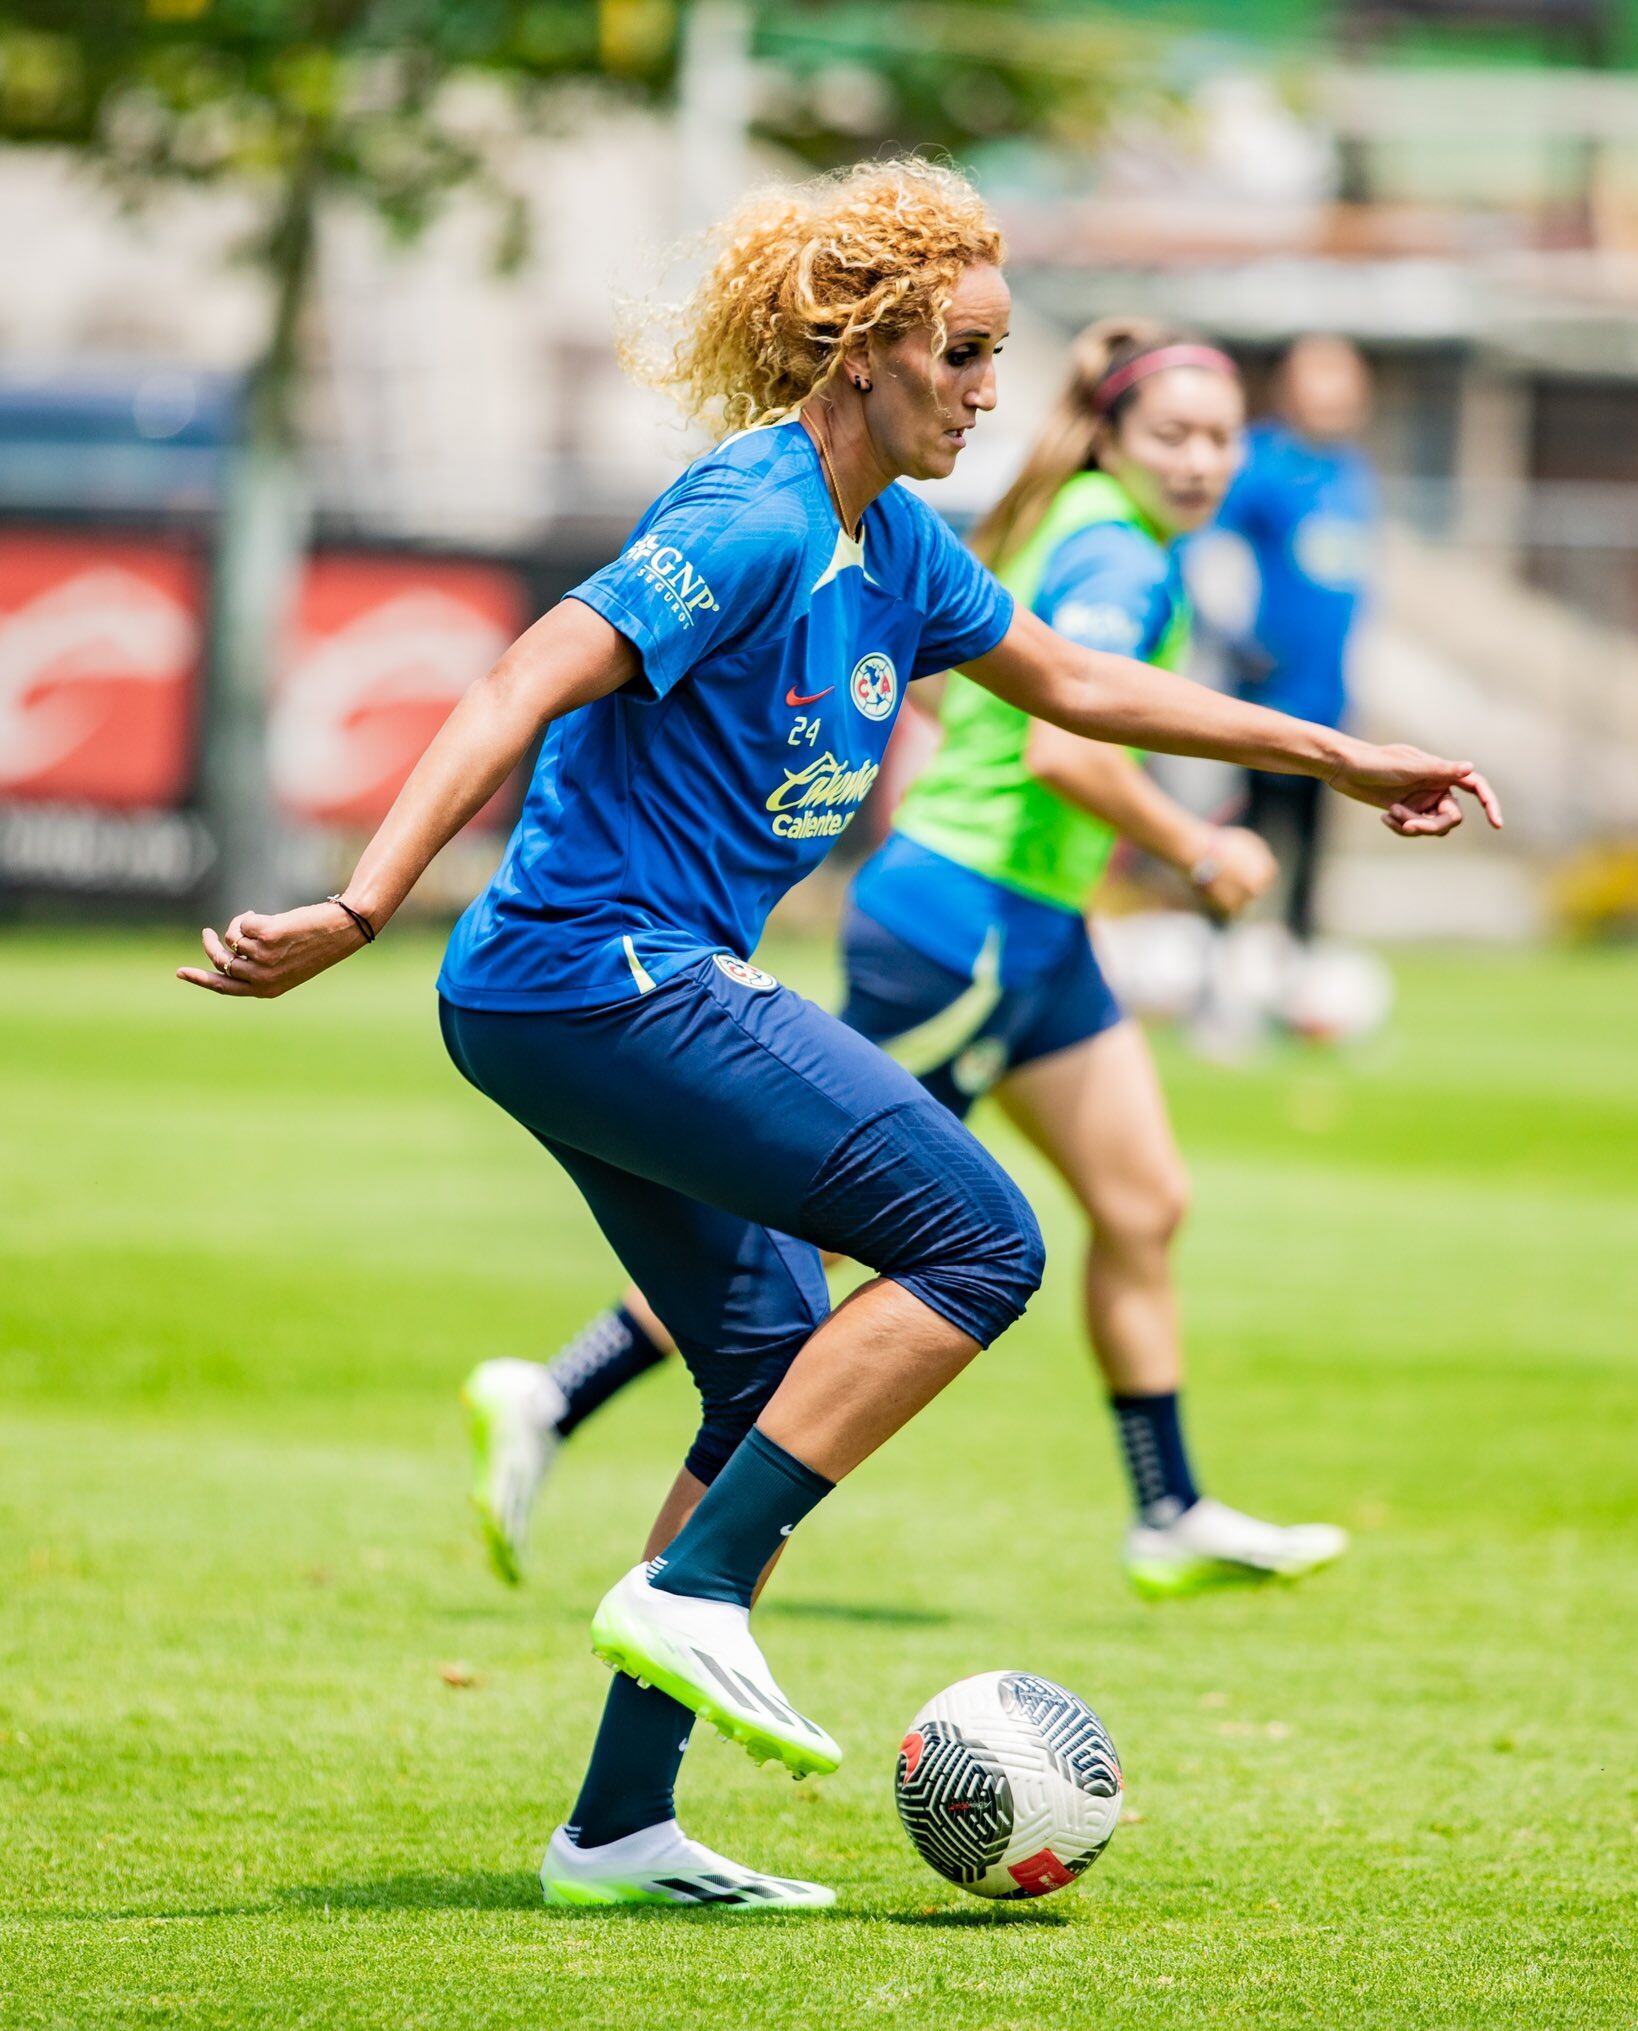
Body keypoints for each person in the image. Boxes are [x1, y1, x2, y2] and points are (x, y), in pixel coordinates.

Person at [180, 160, 1499, 1912]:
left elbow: (1084, 689)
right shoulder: (751, 514)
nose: (984, 390)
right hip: (591, 968)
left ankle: (615, 1827)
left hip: (595, 985)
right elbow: (515, 676)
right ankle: (691, 1589)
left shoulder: (901, 549)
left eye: (995, 357)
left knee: (760, 1352)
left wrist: (1344, 755)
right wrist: (357, 902)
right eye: (960, 352)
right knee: (978, 1236)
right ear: (861, 344)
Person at [474, 317, 1350, 1603]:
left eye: (1224, 437)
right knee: (834, 1230)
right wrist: (1198, 846)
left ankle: (1166, 1504)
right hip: (973, 927)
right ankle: (560, 1403)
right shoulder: (1116, 553)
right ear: (1108, 436)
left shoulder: (1041, 536)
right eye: (1174, 434)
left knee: (1141, 1201)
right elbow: (1067, 742)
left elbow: (955, 684)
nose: (1204, 461)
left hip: (1037, 928)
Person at [1196, 333, 1379, 942]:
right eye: (1320, 379)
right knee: (1245, 843)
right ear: (1290, 387)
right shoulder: (1259, 461)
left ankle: (1297, 972)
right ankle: (1218, 977)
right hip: (1263, 698)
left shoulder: (1351, 470)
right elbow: (1210, 551)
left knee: (1311, 854)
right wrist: (1239, 638)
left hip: (1328, 697)